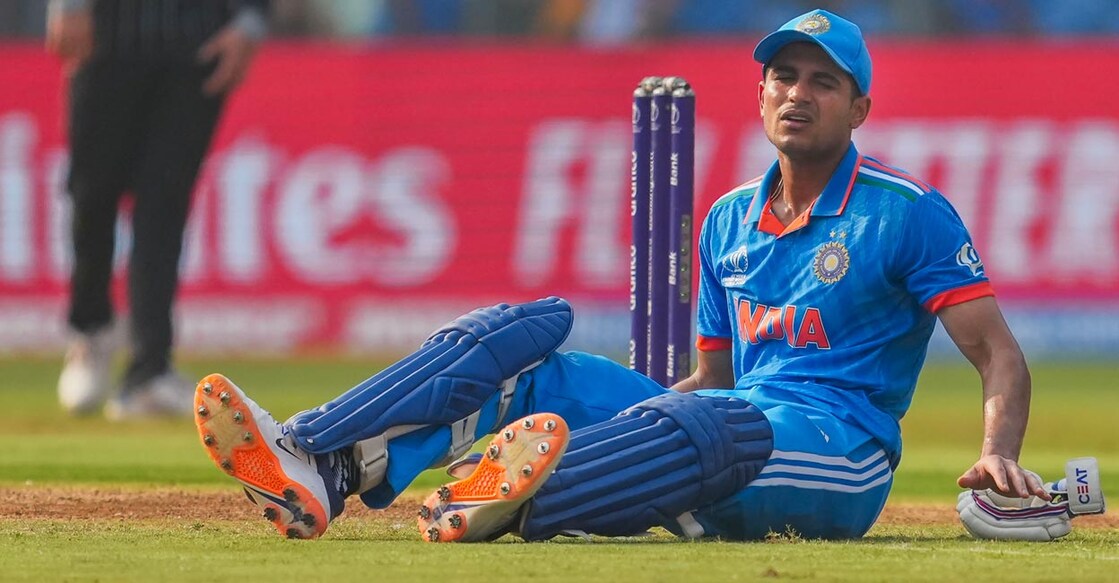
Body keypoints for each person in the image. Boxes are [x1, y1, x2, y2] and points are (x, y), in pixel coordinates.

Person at [192, 9, 1098, 542]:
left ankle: (513, 498)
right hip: (720, 423)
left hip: (839, 453)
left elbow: (997, 354)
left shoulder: (906, 211)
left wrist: (998, 453)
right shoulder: (727, 219)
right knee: (526, 342)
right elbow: (709, 377)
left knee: (710, 422)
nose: (797, 93)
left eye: (823, 82)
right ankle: (322, 460)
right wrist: (627, 416)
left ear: (858, 105)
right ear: (760, 94)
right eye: (783, 76)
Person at [48, 0, 269, 419]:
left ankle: (149, 369)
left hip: (196, 42)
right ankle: (91, 331)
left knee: (164, 208)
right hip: (107, 34)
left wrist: (250, 20)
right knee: (92, 194)